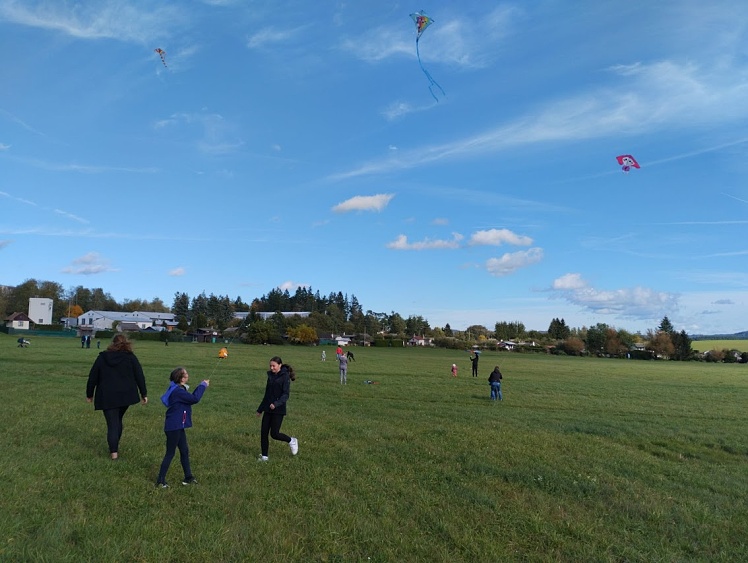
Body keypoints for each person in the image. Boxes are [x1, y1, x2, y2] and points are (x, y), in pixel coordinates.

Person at [85, 334, 148, 460]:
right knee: (117, 420)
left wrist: (89, 394)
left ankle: (114, 453)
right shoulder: (130, 357)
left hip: (107, 395)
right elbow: (139, 375)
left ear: (112, 343)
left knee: (113, 423)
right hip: (126, 395)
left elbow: (93, 377)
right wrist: (144, 394)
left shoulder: (103, 358)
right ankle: (115, 448)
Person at [155, 367, 209, 488]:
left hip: (178, 425)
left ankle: (188, 477)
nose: (188, 376)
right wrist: (203, 386)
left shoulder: (178, 389)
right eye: (186, 374)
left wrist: (201, 386)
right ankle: (160, 480)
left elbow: (190, 397)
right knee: (170, 453)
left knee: (184, 451)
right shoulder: (178, 392)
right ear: (181, 378)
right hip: (173, 427)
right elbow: (194, 399)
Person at [255, 356, 298, 461]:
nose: (271, 368)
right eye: (270, 366)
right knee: (264, 432)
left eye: (274, 366)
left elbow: (285, 395)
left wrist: (276, 404)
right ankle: (264, 457)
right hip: (268, 409)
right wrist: (260, 409)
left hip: (278, 409)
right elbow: (267, 394)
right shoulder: (270, 376)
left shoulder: (285, 377)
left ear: (280, 365)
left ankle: (291, 441)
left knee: (274, 434)